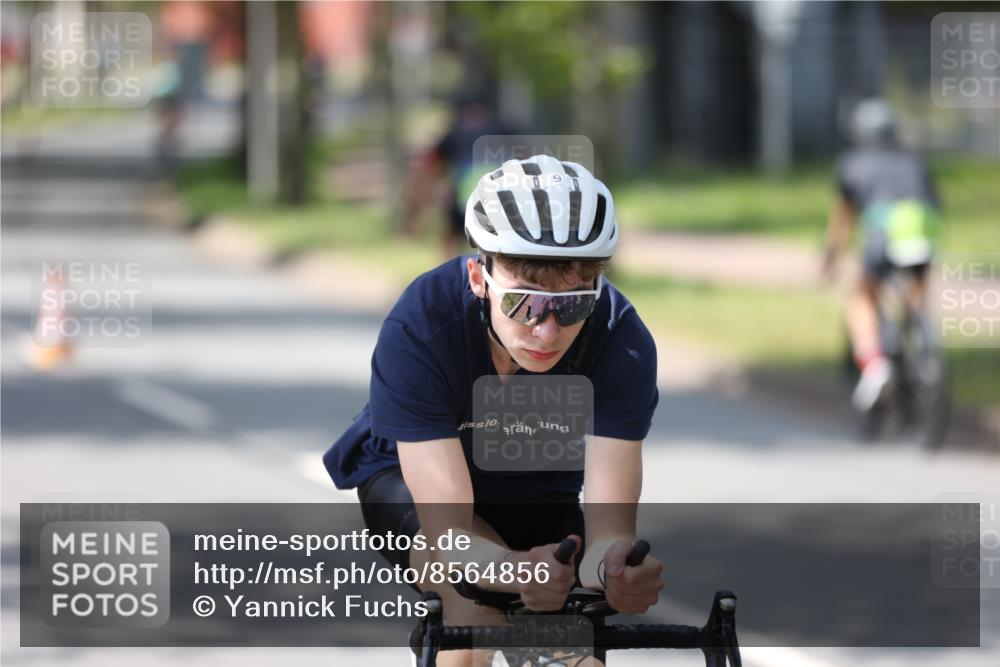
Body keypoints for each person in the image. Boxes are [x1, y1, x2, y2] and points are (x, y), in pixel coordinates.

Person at [325, 155, 663, 666]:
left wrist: (616, 569)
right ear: (479, 279)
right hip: (418, 489)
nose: (547, 331)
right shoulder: (422, 326)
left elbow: (608, 531)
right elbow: (450, 535)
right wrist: (514, 572)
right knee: (477, 620)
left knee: (569, 655)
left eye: (571, 306)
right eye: (524, 305)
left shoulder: (620, 340)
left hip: (537, 487)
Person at [823, 99, 941, 412]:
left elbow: (843, 220)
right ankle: (925, 352)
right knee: (915, 293)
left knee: (862, 294)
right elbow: (934, 203)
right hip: (922, 229)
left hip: (884, 232)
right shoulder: (914, 160)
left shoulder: (853, 163)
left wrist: (831, 256)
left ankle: (875, 365)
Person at [401, 93, 511, 259]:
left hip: (465, 200)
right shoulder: (506, 131)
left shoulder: (452, 136)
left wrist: (413, 217)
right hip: (505, 199)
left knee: (451, 241)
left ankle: (456, 280)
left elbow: (425, 175)